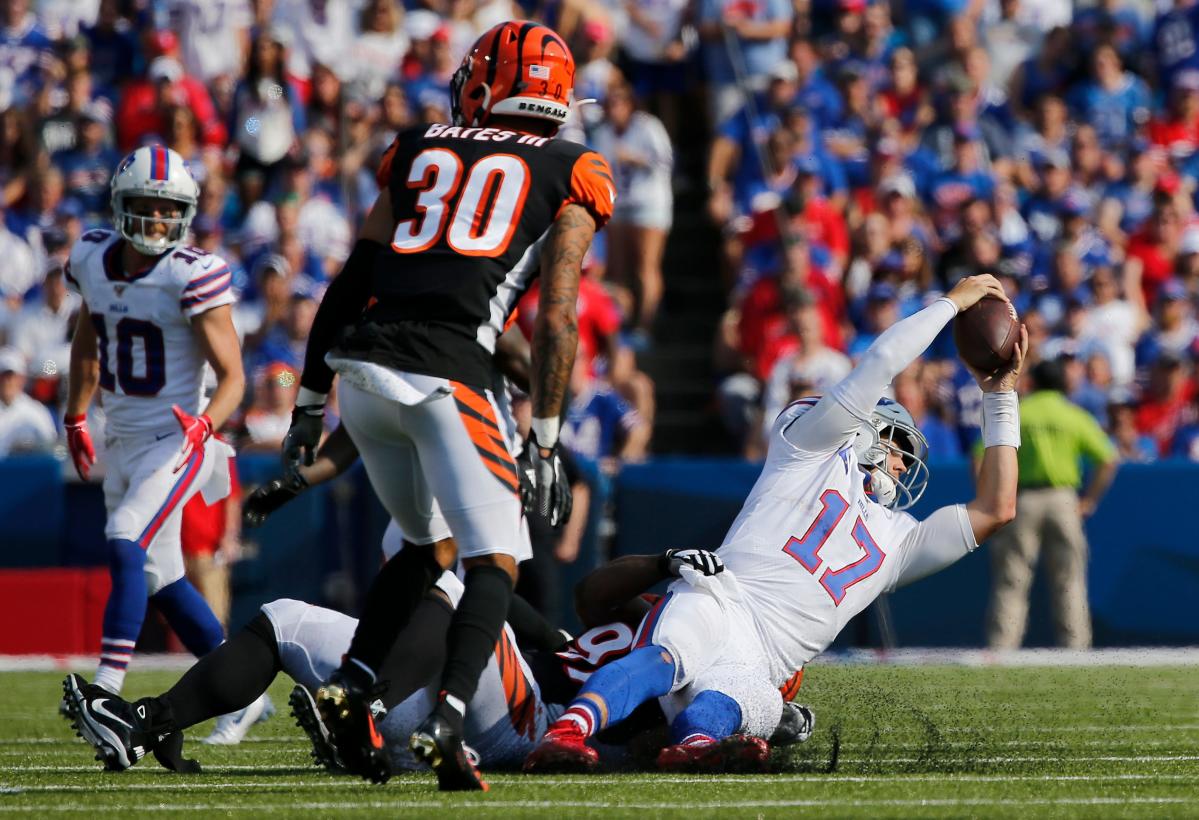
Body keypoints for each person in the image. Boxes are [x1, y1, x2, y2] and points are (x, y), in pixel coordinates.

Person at [281, 22, 614, 789]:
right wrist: (549, 436)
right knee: (494, 558)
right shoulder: (575, 166)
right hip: (450, 376)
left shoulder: (418, 145)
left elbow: (351, 279)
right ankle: (448, 717)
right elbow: (558, 315)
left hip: (361, 375)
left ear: (483, 81)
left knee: (426, 547)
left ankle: (355, 684)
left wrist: (308, 400)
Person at [524, 275, 1025, 773]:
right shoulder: (811, 449)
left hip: (768, 661)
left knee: (752, 704)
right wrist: (949, 305)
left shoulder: (898, 539)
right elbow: (881, 363)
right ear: (870, 429)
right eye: (899, 446)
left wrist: (1000, 395)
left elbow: (996, 508)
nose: (902, 464)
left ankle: (695, 745)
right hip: (723, 598)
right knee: (669, 654)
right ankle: (569, 730)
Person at [62, 546, 811, 775]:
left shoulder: (728, 679)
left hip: (531, 724)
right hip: (482, 688)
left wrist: (770, 731)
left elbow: (667, 743)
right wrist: (664, 561)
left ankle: (363, 715)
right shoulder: (681, 615)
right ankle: (146, 720)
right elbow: (584, 601)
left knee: (456, 584)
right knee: (281, 619)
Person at [61, 145, 246, 698]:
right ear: (122, 204)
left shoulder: (192, 274)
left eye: (170, 209)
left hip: (177, 438)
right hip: (122, 438)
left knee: (124, 540)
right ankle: (247, 692)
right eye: (149, 205)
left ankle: (107, 687)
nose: (159, 219)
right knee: (160, 579)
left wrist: (206, 425)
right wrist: (75, 415)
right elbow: (88, 339)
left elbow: (235, 376)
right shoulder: (92, 257)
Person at [985, 357, 1118, 650]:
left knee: (1012, 579)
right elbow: (1108, 459)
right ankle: (1076, 650)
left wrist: (990, 495)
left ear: (1034, 382)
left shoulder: (1021, 413)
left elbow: (980, 453)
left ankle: (1001, 649)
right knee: (1069, 579)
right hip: (1063, 499)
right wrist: (1089, 500)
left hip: (1022, 500)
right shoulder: (1072, 415)